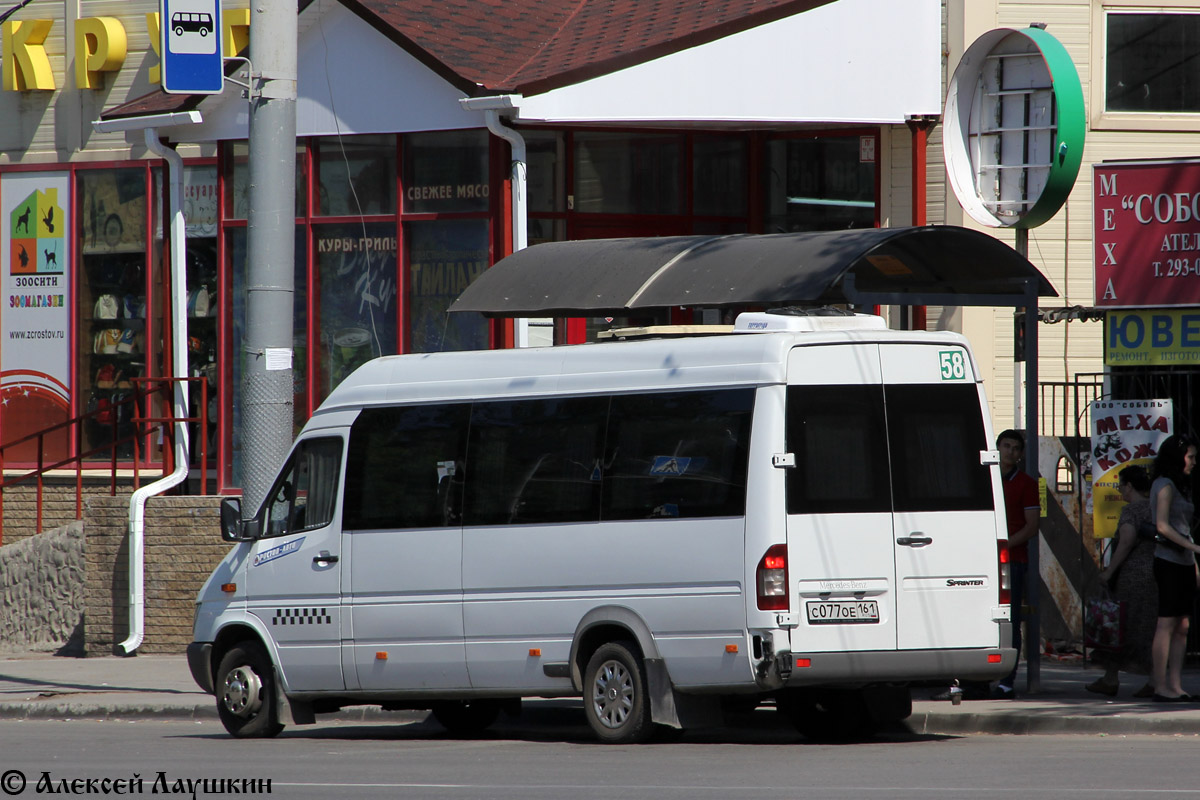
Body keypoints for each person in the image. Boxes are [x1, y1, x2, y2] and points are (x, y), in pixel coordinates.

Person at [932, 429, 1039, 701]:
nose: (1010, 452)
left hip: (1012, 561)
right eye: (1006, 446)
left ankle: (1006, 683)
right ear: (997, 448)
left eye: (1016, 448)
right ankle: (972, 683)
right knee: (974, 618)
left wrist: (1002, 548)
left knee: (1010, 623)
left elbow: (1031, 527)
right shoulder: (983, 478)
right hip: (979, 562)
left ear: (1021, 454)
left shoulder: (1027, 483)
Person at [1085, 465, 1157, 698]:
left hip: (1132, 576)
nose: (1120, 491)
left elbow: (1126, 541)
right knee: (1150, 627)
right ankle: (1154, 679)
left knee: (1118, 625)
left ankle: (1110, 678)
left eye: (1121, 486)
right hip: (1156, 573)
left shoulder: (1131, 511)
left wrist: (1109, 572)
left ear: (1129, 486)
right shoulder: (1157, 507)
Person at [1147, 434, 1200, 703]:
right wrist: (1194, 548)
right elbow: (1162, 526)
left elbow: (1185, 528)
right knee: (1166, 623)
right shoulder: (1164, 484)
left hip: (1184, 562)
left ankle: (1176, 685)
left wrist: (1193, 561)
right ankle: (1160, 684)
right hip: (1168, 560)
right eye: (1190, 457)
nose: (1193, 462)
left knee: (1183, 624)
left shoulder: (1183, 486)